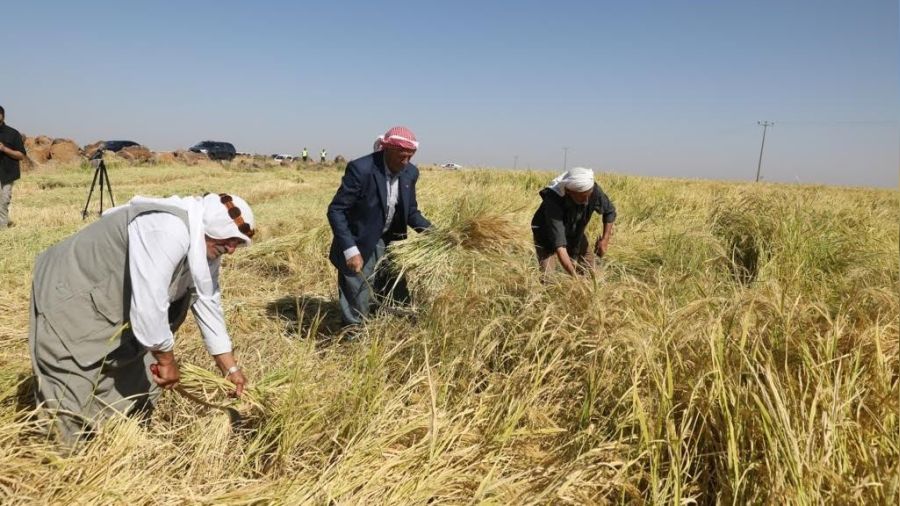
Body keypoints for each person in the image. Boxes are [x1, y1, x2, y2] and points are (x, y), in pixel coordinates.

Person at [28, 192, 256, 446]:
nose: (232, 250)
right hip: (71, 291)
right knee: (69, 384)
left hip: (114, 302)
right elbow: (150, 302)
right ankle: (61, 463)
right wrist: (167, 359)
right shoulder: (167, 229)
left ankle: (105, 442)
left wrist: (229, 367)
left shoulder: (205, 244)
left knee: (137, 374)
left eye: (238, 243)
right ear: (211, 227)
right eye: (230, 240)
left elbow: (206, 299)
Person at [326, 126, 431, 328]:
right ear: (387, 149)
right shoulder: (361, 169)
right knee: (357, 293)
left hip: (390, 240)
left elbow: (411, 213)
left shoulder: (410, 173)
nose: (406, 161)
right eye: (402, 155)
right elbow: (336, 211)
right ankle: (354, 337)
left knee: (394, 288)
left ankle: (395, 328)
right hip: (360, 240)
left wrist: (436, 235)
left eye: (410, 156)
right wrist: (350, 250)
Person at [530, 167, 616, 277]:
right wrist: (575, 278)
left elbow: (609, 212)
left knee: (593, 274)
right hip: (547, 235)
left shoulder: (593, 190)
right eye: (582, 197)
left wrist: (605, 239)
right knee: (548, 279)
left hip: (575, 232)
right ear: (569, 192)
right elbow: (560, 246)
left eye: (588, 196)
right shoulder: (553, 201)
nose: (586, 202)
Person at [0, 105, 27, 228]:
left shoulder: (13, 133)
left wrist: (4, 149)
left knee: (4, 201)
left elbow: (21, 155)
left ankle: (3, 230)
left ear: (3, 116)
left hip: (7, 173)